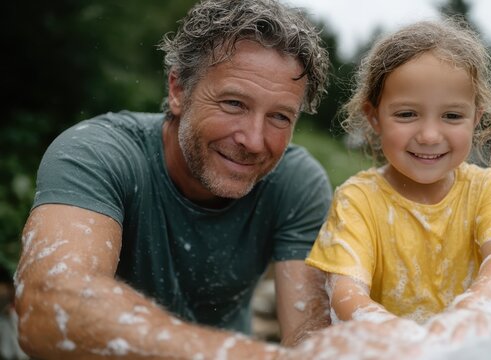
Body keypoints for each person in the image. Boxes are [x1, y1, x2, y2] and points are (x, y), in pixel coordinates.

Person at [14, 0, 336, 358]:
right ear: (178, 90)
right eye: (233, 104)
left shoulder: (296, 184)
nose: (254, 140)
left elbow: (311, 342)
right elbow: (46, 308)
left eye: (279, 117)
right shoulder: (97, 154)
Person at [305, 18, 491, 344]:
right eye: (407, 114)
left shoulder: (486, 190)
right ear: (373, 117)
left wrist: (473, 310)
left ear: (476, 119)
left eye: (452, 116)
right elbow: (346, 294)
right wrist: (399, 334)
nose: (428, 136)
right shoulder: (358, 200)